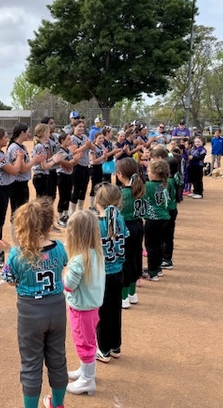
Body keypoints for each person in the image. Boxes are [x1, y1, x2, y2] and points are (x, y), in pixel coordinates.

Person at [0, 198, 68, 408]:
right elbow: (61, 262)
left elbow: (9, 280)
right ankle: (58, 403)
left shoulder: (17, 254)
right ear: (47, 225)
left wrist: (9, 252)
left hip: (30, 314)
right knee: (57, 358)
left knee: (31, 364)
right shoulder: (59, 247)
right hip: (56, 309)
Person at [64, 210, 105, 396]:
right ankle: (85, 371)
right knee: (89, 340)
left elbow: (69, 285)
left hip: (81, 309)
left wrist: (62, 275)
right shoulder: (96, 253)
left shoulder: (78, 260)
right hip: (93, 306)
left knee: (83, 342)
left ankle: (88, 380)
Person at [93, 183, 129, 363]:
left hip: (102, 275)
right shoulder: (120, 220)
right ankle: (115, 346)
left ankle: (104, 349)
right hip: (118, 272)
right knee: (115, 310)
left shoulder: (97, 224)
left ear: (97, 201)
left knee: (102, 313)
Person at [0, 127, 24, 268]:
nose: (7, 139)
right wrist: (19, 158)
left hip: (1, 190)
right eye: (5, 137)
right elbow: (14, 170)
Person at [116, 158, 146, 306]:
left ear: (120, 174)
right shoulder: (140, 189)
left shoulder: (122, 193)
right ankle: (133, 293)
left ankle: (124, 296)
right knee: (135, 258)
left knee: (125, 260)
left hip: (126, 228)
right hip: (138, 225)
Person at [142, 160, 171, 281]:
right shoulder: (165, 183)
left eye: (149, 171)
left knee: (151, 246)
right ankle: (157, 268)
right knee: (158, 244)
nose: (147, 173)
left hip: (153, 219)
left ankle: (152, 272)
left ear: (155, 173)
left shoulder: (148, 185)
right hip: (164, 218)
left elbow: (141, 197)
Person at [56, 132, 82, 228]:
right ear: (62, 141)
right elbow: (63, 164)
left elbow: (72, 164)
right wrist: (73, 161)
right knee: (62, 196)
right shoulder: (60, 151)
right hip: (62, 175)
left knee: (68, 195)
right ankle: (59, 217)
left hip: (69, 175)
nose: (70, 141)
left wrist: (76, 160)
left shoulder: (69, 151)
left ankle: (65, 216)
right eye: (68, 139)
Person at [68, 120, 94, 215]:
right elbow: (73, 151)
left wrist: (90, 144)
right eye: (79, 126)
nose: (81, 128)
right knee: (76, 189)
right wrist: (85, 146)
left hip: (85, 166)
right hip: (77, 166)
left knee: (84, 189)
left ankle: (80, 210)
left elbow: (93, 148)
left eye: (83, 127)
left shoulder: (84, 137)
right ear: (74, 127)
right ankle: (72, 212)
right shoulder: (72, 138)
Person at [88, 132, 108, 210]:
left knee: (100, 186)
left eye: (102, 138)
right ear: (95, 138)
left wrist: (105, 155)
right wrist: (103, 156)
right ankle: (91, 206)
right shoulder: (93, 148)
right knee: (94, 186)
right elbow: (94, 161)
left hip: (101, 167)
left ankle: (97, 204)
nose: (101, 140)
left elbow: (105, 159)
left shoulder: (102, 146)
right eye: (99, 138)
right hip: (94, 168)